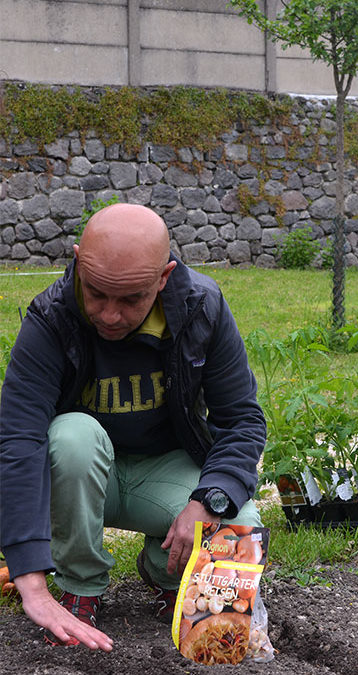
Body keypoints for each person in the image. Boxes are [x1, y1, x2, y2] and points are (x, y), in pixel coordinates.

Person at [0, 203, 266, 651]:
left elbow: (242, 420)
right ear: (78, 260)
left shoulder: (203, 308)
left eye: (130, 300)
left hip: (161, 473)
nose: (108, 315)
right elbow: (19, 438)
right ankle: (78, 587)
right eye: (97, 293)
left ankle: (167, 570)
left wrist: (207, 500)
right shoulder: (51, 317)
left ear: (164, 277)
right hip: (78, 478)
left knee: (238, 518)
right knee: (71, 438)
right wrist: (31, 584)